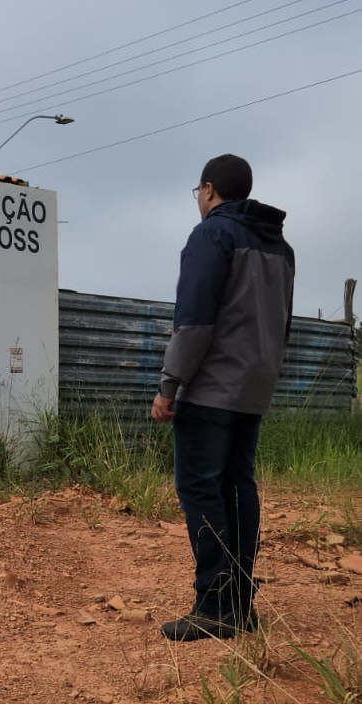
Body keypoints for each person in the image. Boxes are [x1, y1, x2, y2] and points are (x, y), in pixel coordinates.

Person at [151, 154, 295, 641]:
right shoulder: (282, 247)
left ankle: (214, 606)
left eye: (198, 191)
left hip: (211, 389)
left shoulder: (211, 235)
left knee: (200, 489)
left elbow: (194, 321)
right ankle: (239, 605)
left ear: (209, 189)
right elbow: (284, 326)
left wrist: (169, 385)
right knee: (238, 488)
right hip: (254, 388)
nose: (198, 200)